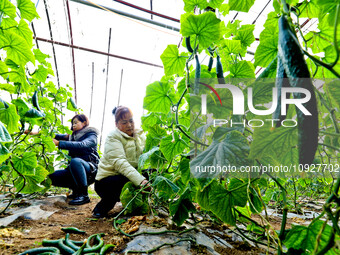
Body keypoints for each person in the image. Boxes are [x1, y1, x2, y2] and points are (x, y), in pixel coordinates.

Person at [26, 114, 100, 205]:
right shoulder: (71, 136)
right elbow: (54, 135)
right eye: (72, 123)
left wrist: (59, 144)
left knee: (75, 161)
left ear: (84, 123)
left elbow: (83, 144)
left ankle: (84, 195)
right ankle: (76, 191)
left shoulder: (92, 135)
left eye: (76, 122)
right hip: (75, 170)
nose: (73, 125)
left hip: (90, 170)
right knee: (51, 177)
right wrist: (34, 133)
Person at [92, 106, 149, 218]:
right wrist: (141, 180)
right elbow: (119, 162)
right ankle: (102, 208)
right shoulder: (113, 137)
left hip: (128, 176)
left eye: (131, 121)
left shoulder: (140, 134)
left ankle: (135, 205)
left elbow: (148, 155)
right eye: (124, 122)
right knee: (125, 181)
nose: (129, 125)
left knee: (152, 173)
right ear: (116, 124)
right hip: (107, 181)